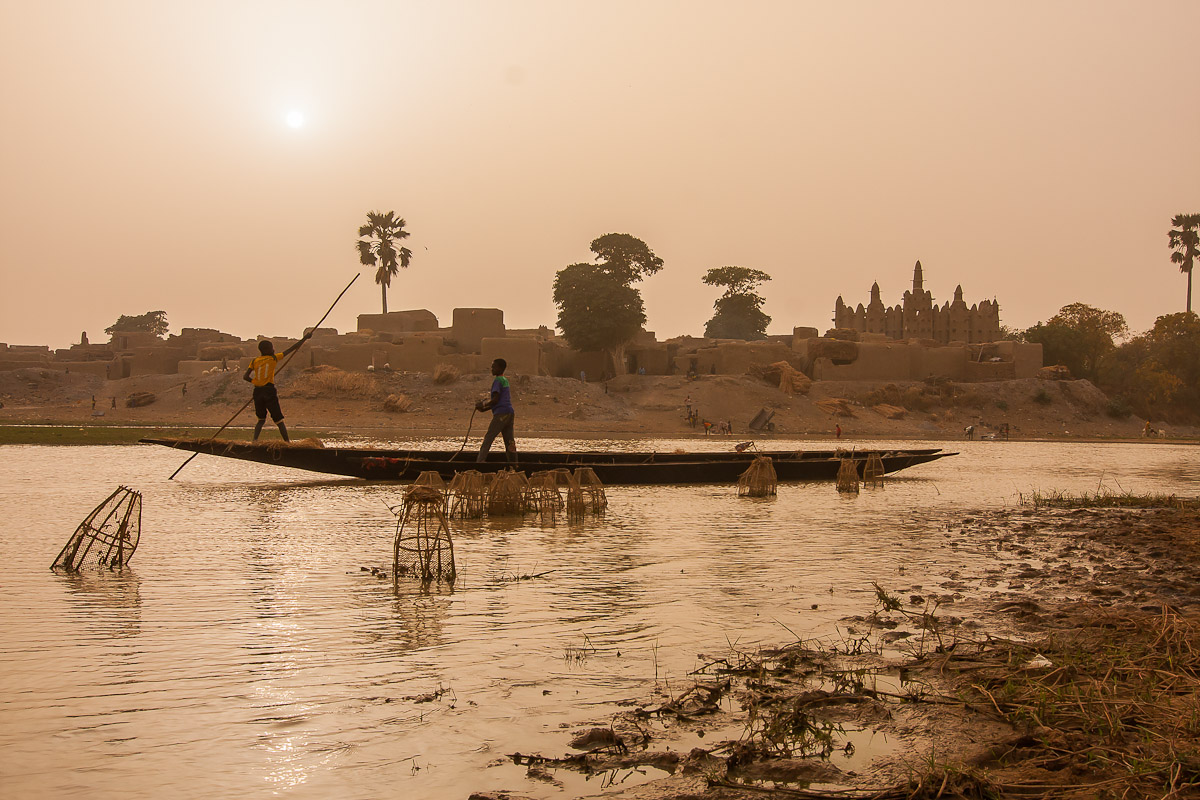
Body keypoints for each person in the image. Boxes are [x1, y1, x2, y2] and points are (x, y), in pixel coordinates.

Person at [244, 334, 310, 441]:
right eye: (272, 348)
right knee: (279, 420)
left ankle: (254, 441)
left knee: (260, 420)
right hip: (269, 391)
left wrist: (255, 381)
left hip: (257, 391)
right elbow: (291, 349)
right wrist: (305, 338)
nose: (274, 350)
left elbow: (245, 376)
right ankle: (287, 443)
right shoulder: (273, 358)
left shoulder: (254, 361)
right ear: (267, 350)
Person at [476, 358, 517, 464]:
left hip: (501, 414)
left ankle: (480, 462)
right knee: (509, 441)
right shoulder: (505, 380)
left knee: (489, 438)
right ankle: (514, 464)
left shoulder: (497, 381)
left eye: (494, 367)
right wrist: (484, 409)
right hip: (509, 413)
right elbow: (498, 402)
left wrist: (483, 404)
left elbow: (495, 400)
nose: (492, 369)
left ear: (500, 368)